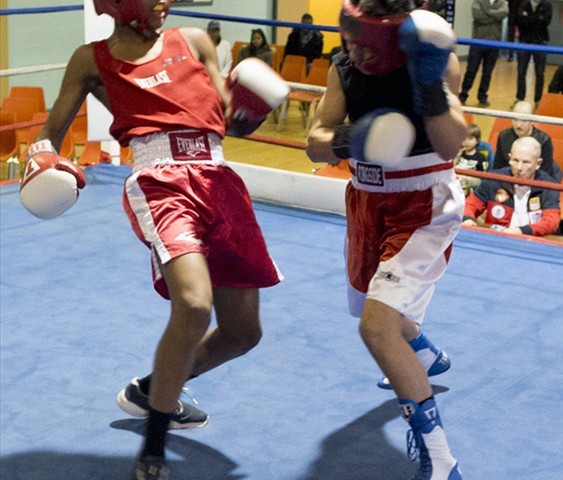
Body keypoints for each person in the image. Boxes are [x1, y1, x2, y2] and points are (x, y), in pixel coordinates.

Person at [18, 1, 290, 478]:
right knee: (193, 303)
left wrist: (251, 112)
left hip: (220, 180)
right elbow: (48, 137)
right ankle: (154, 449)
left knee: (243, 333)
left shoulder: (196, 41)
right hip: (160, 182)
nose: (165, 2)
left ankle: (151, 390)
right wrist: (42, 164)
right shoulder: (92, 59)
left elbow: (229, 121)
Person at [307, 1, 465, 478]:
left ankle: (441, 462)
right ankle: (425, 353)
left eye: (363, 43)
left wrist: (428, 86)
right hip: (367, 201)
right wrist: (352, 138)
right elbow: (314, 140)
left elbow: (452, 144)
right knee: (368, 310)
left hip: (424, 205)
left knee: (376, 327)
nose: (353, 49)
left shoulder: (432, 55)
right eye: (348, 38)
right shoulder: (342, 67)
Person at [463, 136, 561, 236]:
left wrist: (521, 231)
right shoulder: (495, 178)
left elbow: (551, 222)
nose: (519, 167)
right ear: (509, 158)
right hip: (496, 238)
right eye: (515, 160)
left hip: (531, 240)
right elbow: (470, 205)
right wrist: (467, 219)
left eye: (526, 162)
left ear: (538, 163)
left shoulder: (548, 186)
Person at [492, 101, 562, 181]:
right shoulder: (503, 136)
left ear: (532, 120)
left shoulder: (544, 140)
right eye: (515, 119)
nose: (518, 125)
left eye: (524, 120)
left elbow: (545, 173)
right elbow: (497, 169)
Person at [459, 0, 509, 108]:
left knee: (488, 73)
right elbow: (478, 16)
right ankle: (463, 94)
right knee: (471, 70)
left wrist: (487, 11)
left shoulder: (502, 2)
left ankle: (482, 96)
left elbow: (504, 13)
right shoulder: (478, 1)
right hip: (477, 42)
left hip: (494, 43)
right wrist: (495, 15)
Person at [514, 0, 553, 106]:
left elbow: (545, 22)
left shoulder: (547, 5)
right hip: (524, 42)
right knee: (521, 71)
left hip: (541, 42)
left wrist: (528, 17)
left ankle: (538, 100)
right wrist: (537, 17)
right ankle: (519, 98)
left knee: (540, 73)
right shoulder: (523, 4)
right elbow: (519, 21)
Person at [455, 123, 487, 195]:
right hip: (457, 177)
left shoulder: (480, 157)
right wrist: (457, 157)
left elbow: (483, 176)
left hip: (470, 181)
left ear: (477, 140)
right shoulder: (459, 153)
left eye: (470, 138)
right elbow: (452, 168)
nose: (467, 142)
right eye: (464, 138)